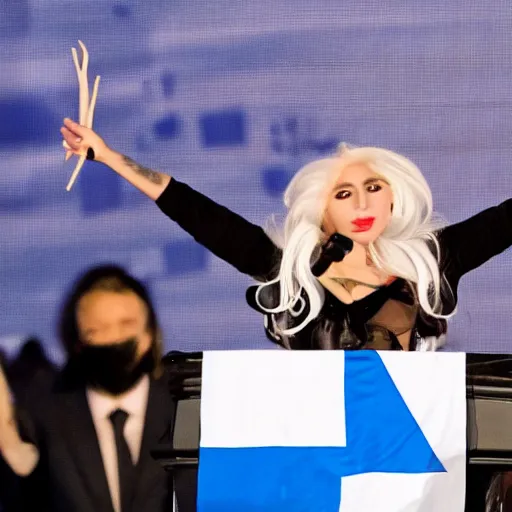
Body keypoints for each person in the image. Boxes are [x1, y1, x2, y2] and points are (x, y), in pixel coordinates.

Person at [60, 118, 512, 352]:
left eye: (373, 189)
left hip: (403, 441)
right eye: (344, 193)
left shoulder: (426, 264)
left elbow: (504, 221)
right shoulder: (292, 270)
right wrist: (113, 159)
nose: (361, 205)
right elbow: (200, 215)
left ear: (393, 197)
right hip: (315, 443)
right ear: (321, 210)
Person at [0, 264, 176, 512]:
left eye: (126, 325)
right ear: (77, 342)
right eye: (97, 330)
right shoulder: (43, 416)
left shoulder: (186, 408)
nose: (114, 339)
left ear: (149, 334)